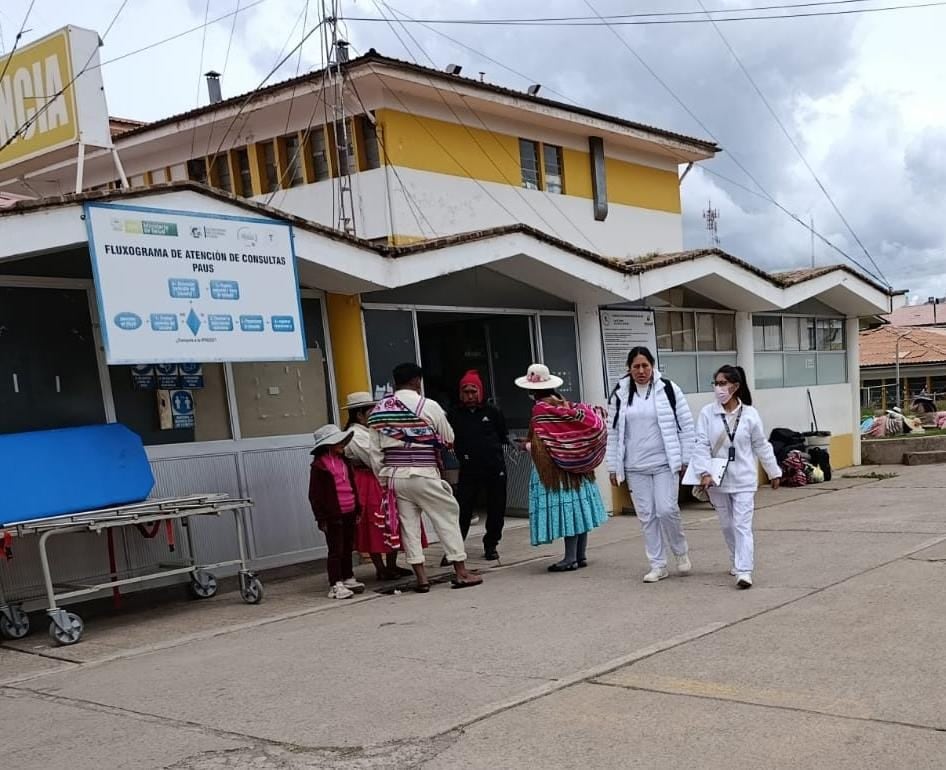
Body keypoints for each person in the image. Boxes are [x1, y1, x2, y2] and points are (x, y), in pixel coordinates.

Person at [368, 362, 483, 593]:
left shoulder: (379, 411)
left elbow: (374, 453)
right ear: (416, 381)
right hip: (424, 472)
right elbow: (448, 438)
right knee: (447, 516)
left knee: (409, 526)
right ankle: (461, 572)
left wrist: (383, 481)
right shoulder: (428, 405)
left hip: (394, 475)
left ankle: (422, 579)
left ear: (395, 382)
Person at [606, 346, 696, 583]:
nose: (641, 371)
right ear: (629, 368)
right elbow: (613, 433)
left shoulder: (669, 389)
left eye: (645, 365)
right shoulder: (620, 393)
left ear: (653, 366)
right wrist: (613, 467)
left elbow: (686, 426)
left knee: (666, 510)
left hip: (665, 463)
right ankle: (658, 565)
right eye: (636, 366)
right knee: (646, 516)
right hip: (635, 466)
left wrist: (686, 459)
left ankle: (680, 551)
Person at [692, 365, 781, 590]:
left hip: (744, 480)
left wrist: (773, 471)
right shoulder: (707, 413)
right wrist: (704, 472)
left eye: (723, 383)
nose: (718, 388)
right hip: (717, 480)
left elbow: (761, 444)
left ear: (735, 386)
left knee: (742, 525)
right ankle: (735, 559)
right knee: (727, 525)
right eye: (716, 383)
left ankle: (744, 570)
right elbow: (701, 444)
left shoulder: (750, 414)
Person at [515, 363, 608, 571]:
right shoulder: (563, 403)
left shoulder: (540, 409)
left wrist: (525, 446)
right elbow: (560, 435)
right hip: (576, 467)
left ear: (532, 390)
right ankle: (580, 555)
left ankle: (570, 559)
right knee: (578, 508)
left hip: (557, 470)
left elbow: (544, 444)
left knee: (568, 511)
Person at [343, 392, 415, 582]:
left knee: (393, 520)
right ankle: (380, 567)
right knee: (374, 523)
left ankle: (391, 565)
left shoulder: (372, 431)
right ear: (359, 415)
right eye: (371, 412)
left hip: (382, 477)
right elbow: (373, 459)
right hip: (368, 481)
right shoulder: (355, 435)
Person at [448, 369, 509, 562]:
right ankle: (455, 548)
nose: (470, 396)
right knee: (462, 509)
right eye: (466, 392)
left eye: (473, 392)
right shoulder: (454, 414)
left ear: (480, 391)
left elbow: (502, 435)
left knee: (496, 508)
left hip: (494, 467)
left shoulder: (492, 412)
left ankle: (491, 545)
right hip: (469, 469)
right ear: (460, 393)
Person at [308, 424, 366, 600]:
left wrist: (358, 508)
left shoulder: (345, 462)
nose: (342, 444)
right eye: (338, 442)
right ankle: (335, 583)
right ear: (328, 445)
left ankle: (348, 576)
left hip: (350, 510)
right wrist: (321, 517)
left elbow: (352, 485)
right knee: (336, 549)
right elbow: (314, 495)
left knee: (348, 546)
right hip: (333, 515)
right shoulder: (319, 466)